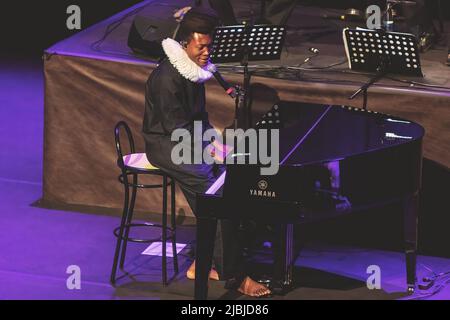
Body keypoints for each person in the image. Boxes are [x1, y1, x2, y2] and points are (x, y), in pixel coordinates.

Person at [142, 7, 271, 297]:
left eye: (209, 46)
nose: (206, 53)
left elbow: (198, 119)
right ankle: (234, 275)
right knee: (216, 193)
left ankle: (206, 261)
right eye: (201, 46)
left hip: (185, 142)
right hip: (166, 145)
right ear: (186, 43)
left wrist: (214, 143)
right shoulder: (167, 79)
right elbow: (177, 130)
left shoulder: (192, 72)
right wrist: (208, 151)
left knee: (231, 180)